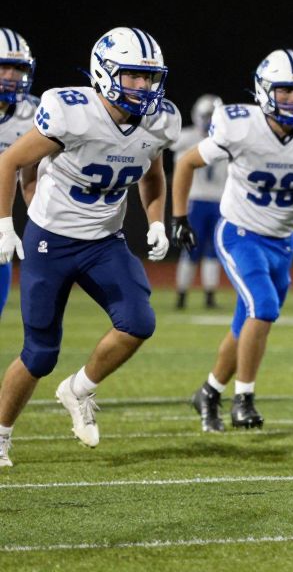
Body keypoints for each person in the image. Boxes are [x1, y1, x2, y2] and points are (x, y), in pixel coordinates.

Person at [0, 27, 178, 467]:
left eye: (149, 77)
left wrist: (157, 220)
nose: (144, 86)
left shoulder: (159, 121)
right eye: (134, 76)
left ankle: (79, 389)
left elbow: (154, 174)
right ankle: (0, 434)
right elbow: (10, 161)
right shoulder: (72, 112)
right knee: (39, 354)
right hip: (51, 241)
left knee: (138, 321)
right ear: (105, 72)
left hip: (104, 241)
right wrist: (4, 223)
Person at [172, 49, 293, 433]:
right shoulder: (241, 126)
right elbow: (186, 162)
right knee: (264, 308)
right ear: (265, 90)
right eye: (285, 91)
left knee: (245, 326)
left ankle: (209, 391)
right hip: (239, 233)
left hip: (283, 242)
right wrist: (180, 216)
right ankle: (244, 398)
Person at [170, 94, 226, 310]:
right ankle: (182, 295)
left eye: (213, 116)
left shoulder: (227, 138)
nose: (210, 120)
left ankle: (209, 296)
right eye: (206, 115)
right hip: (195, 201)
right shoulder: (185, 137)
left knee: (214, 251)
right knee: (191, 249)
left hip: (219, 202)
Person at [0, 29, 41, 321]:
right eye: (4, 66)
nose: (12, 75)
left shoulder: (35, 112)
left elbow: (31, 180)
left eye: (18, 68)